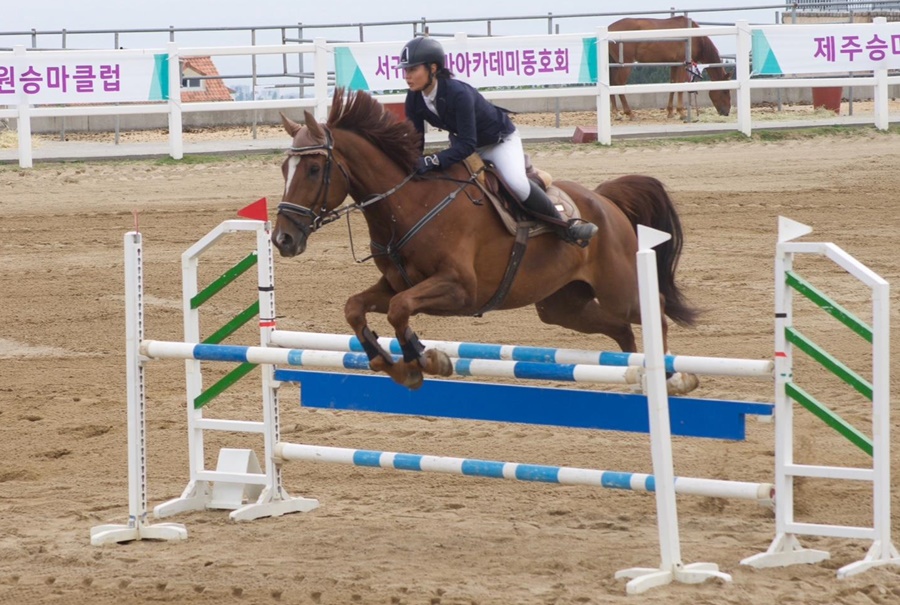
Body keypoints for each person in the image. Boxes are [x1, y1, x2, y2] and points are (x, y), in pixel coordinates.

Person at [399, 36, 598, 247]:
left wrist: (431, 161)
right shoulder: (414, 98)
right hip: (467, 146)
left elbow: (466, 145)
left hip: (498, 142)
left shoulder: (458, 94)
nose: (407, 76)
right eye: (405, 70)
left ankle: (566, 227)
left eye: (412, 70)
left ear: (433, 68)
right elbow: (416, 142)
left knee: (516, 184)